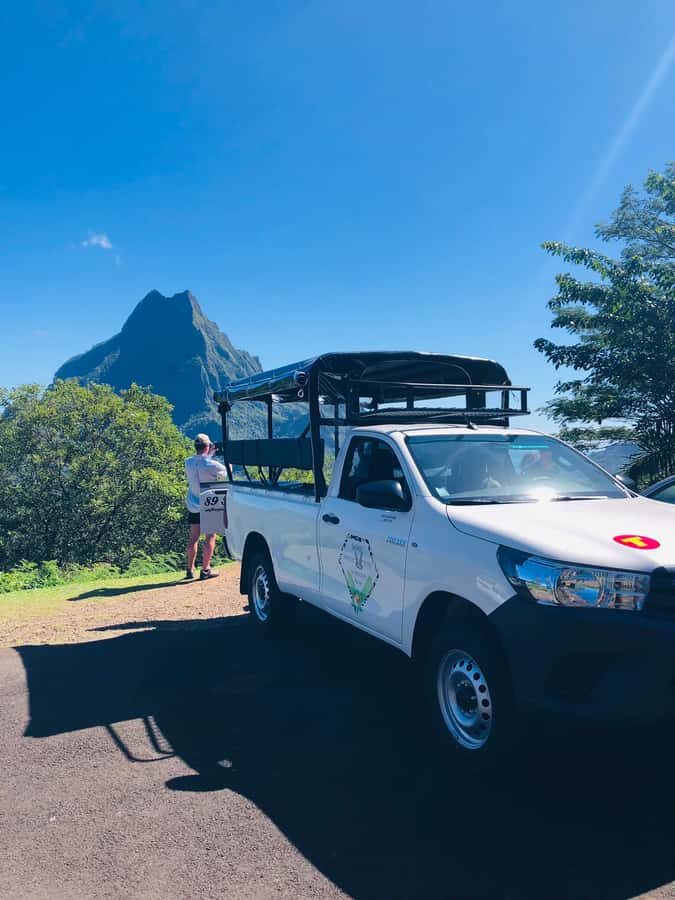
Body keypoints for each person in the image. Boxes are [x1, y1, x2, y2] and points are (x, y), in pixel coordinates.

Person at [185, 433, 229, 581]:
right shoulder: (212, 465)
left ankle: (190, 569)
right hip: (209, 503)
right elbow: (227, 472)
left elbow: (199, 464)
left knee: (193, 538)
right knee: (210, 536)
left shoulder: (188, 462)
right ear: (208, 446)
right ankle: (205, 569)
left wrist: (208, 454)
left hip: (193, 504)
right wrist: (213, 455)